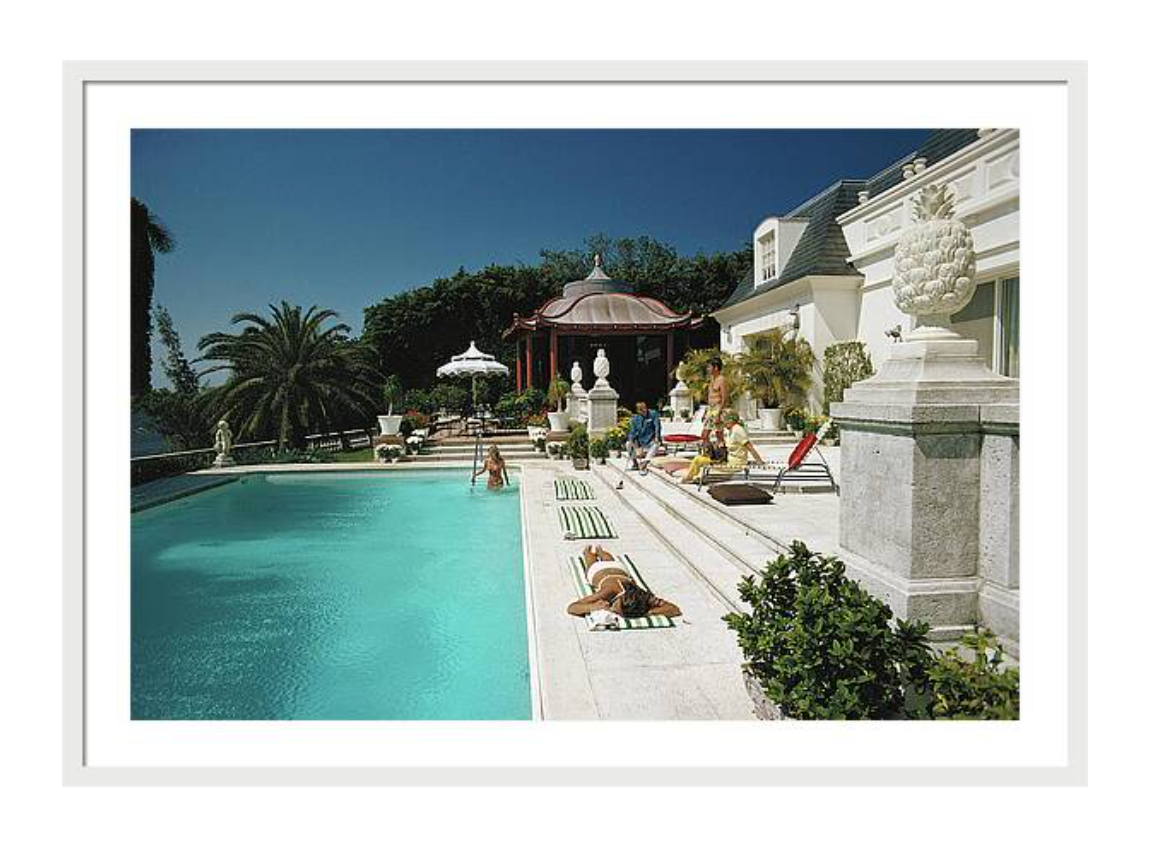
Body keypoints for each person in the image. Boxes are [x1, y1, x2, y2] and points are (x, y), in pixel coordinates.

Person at [567, 544, 682, 622]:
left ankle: (600, 551)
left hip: (619, 568)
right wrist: (594, 606)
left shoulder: (642, 596)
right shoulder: (608, 591)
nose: (612, 610)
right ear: (620, 597)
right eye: (616, 608)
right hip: (598, 570)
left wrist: (647, 613)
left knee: (609, 560)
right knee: (590, 562)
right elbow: (572, 607)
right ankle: (588, 551)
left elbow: (675, 609)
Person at [683, 409, 764, 483]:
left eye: (724, 421)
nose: (723, 424)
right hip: (727, 459)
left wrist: (759, 461)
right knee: (700, 458)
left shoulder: (738, 430)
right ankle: (691, 478)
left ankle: (688, 479)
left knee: (698, 460)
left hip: (733, 462)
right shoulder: (732, 430)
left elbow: (749, 447)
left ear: (730, 421)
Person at [626, 401, 662, 474]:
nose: (644, 410)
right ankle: (635, 463)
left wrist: (657, 437)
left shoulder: (653, 414)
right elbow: (632, 432)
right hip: (641, 441)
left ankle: (645, 462)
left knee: (656, 444)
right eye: (641, 410)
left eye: (644, 408)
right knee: (628, 444)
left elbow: (657, 426)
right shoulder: (635, 419)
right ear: (638, 411)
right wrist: (633, 442)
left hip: (651, 439)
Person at [702, 357, 729, 447]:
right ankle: (709, 452)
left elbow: (724, 398)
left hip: (718, 409)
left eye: (709, 367)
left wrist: (719, 414)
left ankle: (721, 452)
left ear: (716, 368)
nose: (708, 369)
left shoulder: (722, 380)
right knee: (704, 435)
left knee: (719, 436)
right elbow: (710, 396)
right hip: (710, 409)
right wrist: (706, 411)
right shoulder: (712, 379)